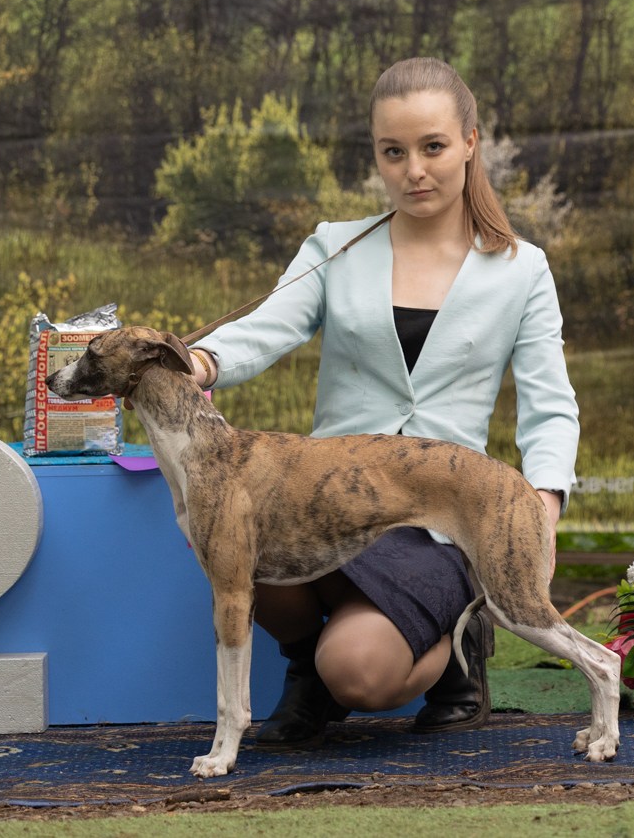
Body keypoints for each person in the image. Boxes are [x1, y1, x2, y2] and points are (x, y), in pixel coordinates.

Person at [185, 57, 579, 742]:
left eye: (432, 147)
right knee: (243, 536)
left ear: (469, 142)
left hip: (439, 518)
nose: (414, 170)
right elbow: (266, 327)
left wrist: (541, 504)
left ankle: (459, 647)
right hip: (327, 498)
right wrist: (202, 359)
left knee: (360, 671)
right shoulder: (334, 246)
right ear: (376, 154)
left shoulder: (523, 268)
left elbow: (551, 403)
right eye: (393, 152)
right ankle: (305, 668)